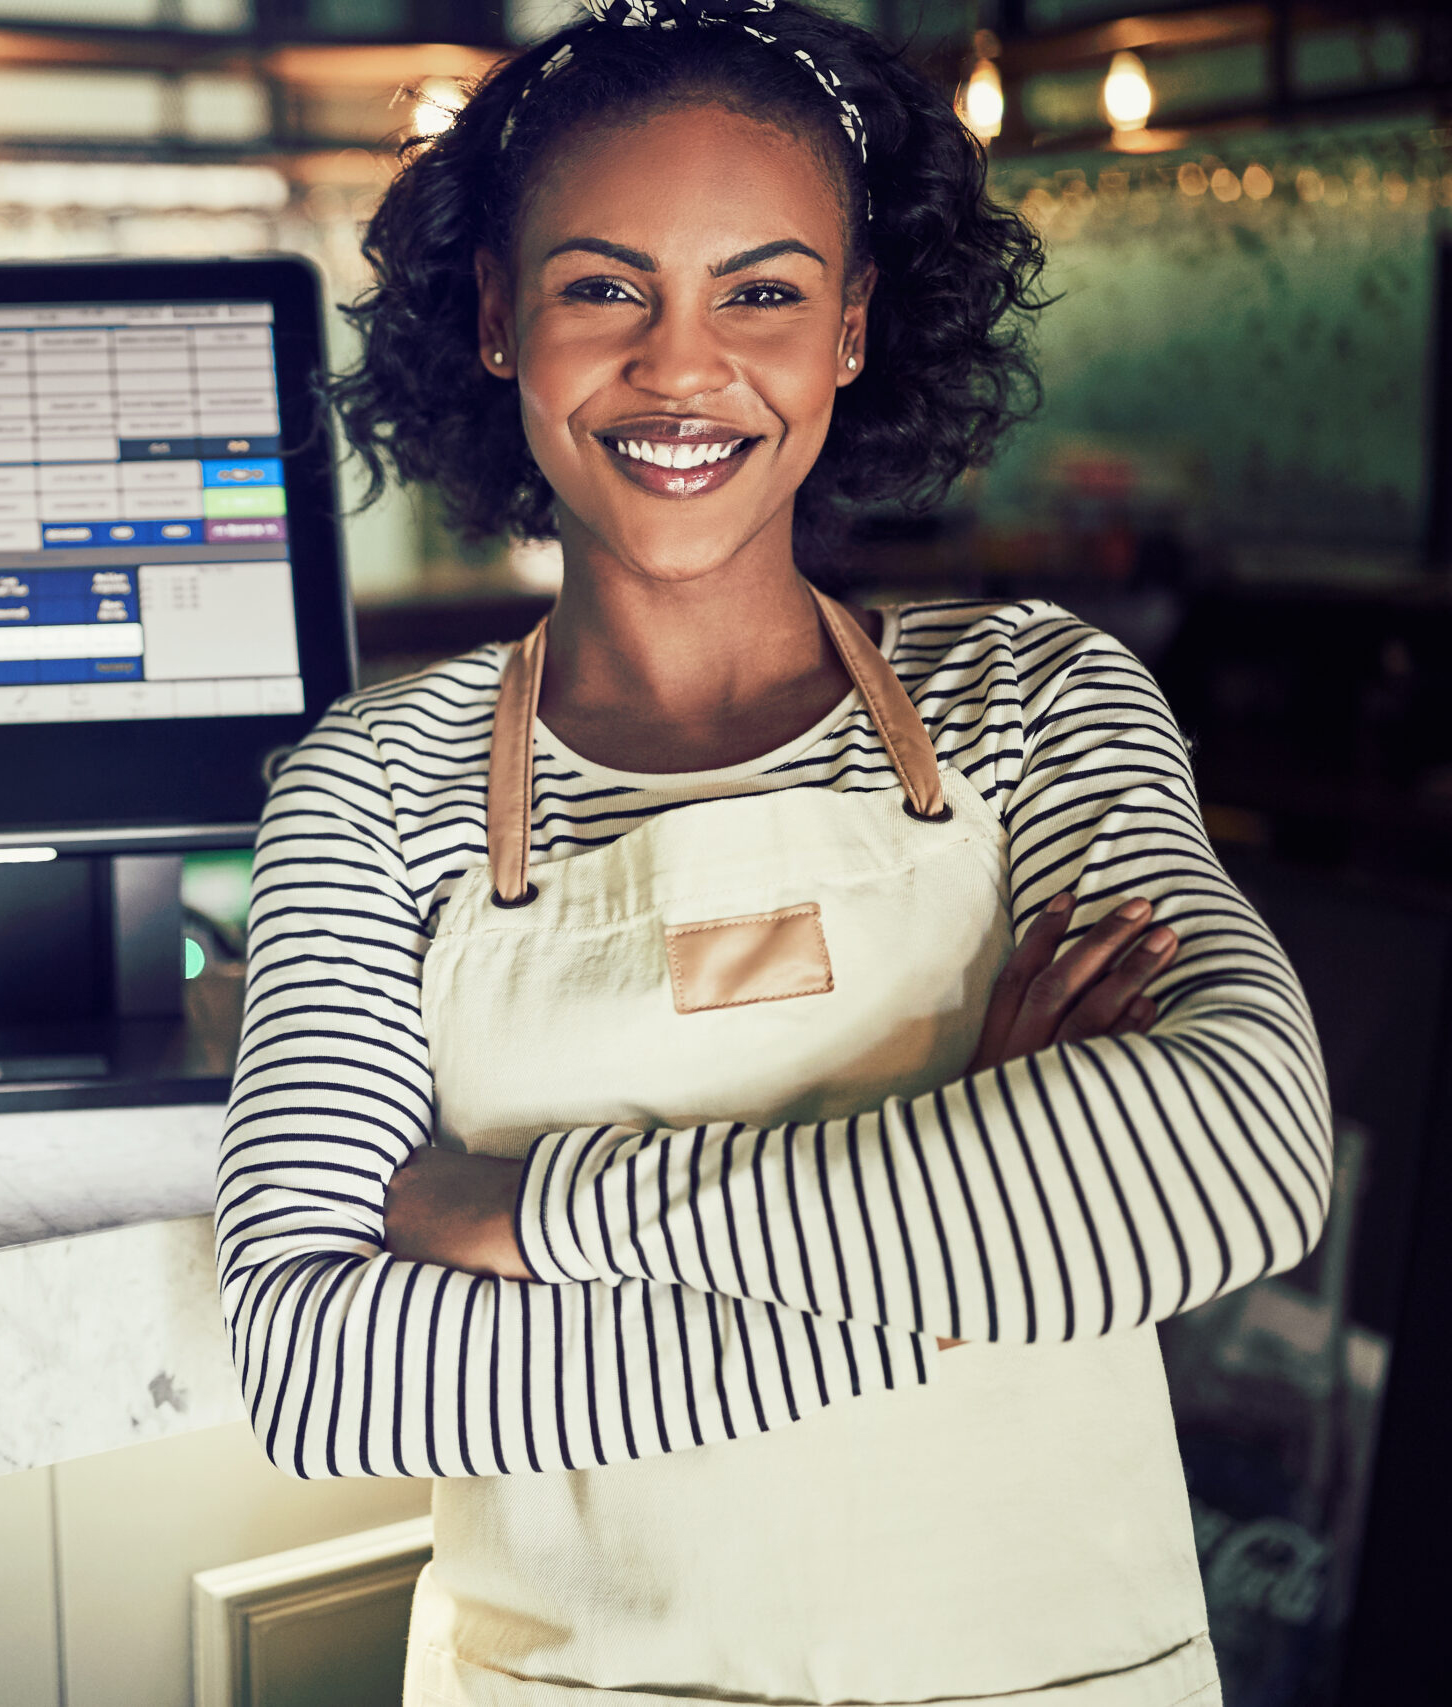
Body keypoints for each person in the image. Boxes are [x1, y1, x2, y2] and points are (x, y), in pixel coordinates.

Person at [214, 2, 1333, 1703]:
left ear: (852, 331)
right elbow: (323, 1371)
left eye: (762, 291)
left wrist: (538, 1208)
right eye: (605, 288)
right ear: (504, 321)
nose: (681, 367)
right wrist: (983, 1225)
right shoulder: (370, 791)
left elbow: (1235, 1157)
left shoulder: (1036, 701)